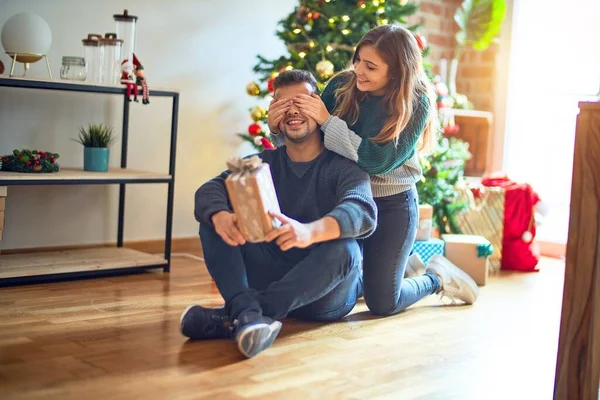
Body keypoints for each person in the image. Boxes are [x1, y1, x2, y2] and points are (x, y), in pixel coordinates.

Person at [268, 24, 479, 317]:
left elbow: (376, 160)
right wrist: (278, 129)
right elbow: (308, 139)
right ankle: (398, 269)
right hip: (346, 198)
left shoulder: (415, 102)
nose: (358, 71)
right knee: (342, 280)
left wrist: (328, 122)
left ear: (396, 71)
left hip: (391, 204)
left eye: (370, 66)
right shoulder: (342, 85)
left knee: (383, 304)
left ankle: (436, 277)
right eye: (357, 60)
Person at [181, 70, 378, 358]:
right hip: (272, 270)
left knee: (346, 249)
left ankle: (241, 314)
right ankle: (248, 314)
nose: (292, 112)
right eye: (282, 104)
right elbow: (209, 190)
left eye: (301, 102)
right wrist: (221, 216)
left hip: (324, 294)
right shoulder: (262, 162)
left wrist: (309, 232)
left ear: (319, 108)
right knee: (213, 219)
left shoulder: (345, 167)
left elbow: (362, 211)